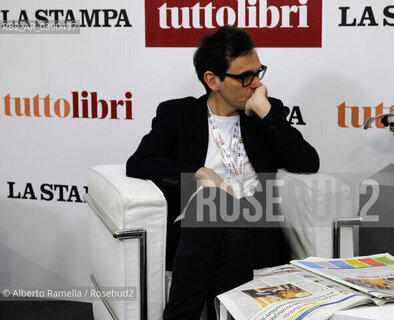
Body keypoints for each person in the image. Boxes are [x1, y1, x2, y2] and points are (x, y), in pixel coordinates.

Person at [126, 25, 319, 320]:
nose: (255, 84)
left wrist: (266, 112)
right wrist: (200, 173)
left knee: (219, 208)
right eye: (245, 77)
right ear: (213, 80)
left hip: (257, 226)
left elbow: (308, 163)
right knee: (221, 216)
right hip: (195, 230)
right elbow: (139, 162)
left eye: (258, 73)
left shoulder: (266, 111)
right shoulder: (177, 114)